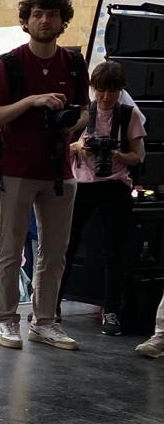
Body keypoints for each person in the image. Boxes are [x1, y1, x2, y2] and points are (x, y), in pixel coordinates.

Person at [0, 0, 88, 351]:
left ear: (62, 21)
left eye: (52, 15)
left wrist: (74, 124)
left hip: (59, 170)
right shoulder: (8, 63)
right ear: (26, 21)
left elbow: (85, 111)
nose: (45, 20)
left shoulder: (73, 63)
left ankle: (44, 321)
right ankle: (8, 321)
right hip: (16, 168)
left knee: (55, 251)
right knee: (11, 250)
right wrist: (31, 101)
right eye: (38, 14)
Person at [59, 61, 146, 337]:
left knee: (114, 250)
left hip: (114, 185)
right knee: (66, 246)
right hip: (83, 184)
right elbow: (65, 146)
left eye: (111, 91)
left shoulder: (129, 115)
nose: (105, 97)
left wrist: (116, 155)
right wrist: (80, 148)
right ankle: (52, 303)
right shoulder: (84, 113)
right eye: (100, 91)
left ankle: (111, 311)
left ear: (119, 91)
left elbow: (138, 155)